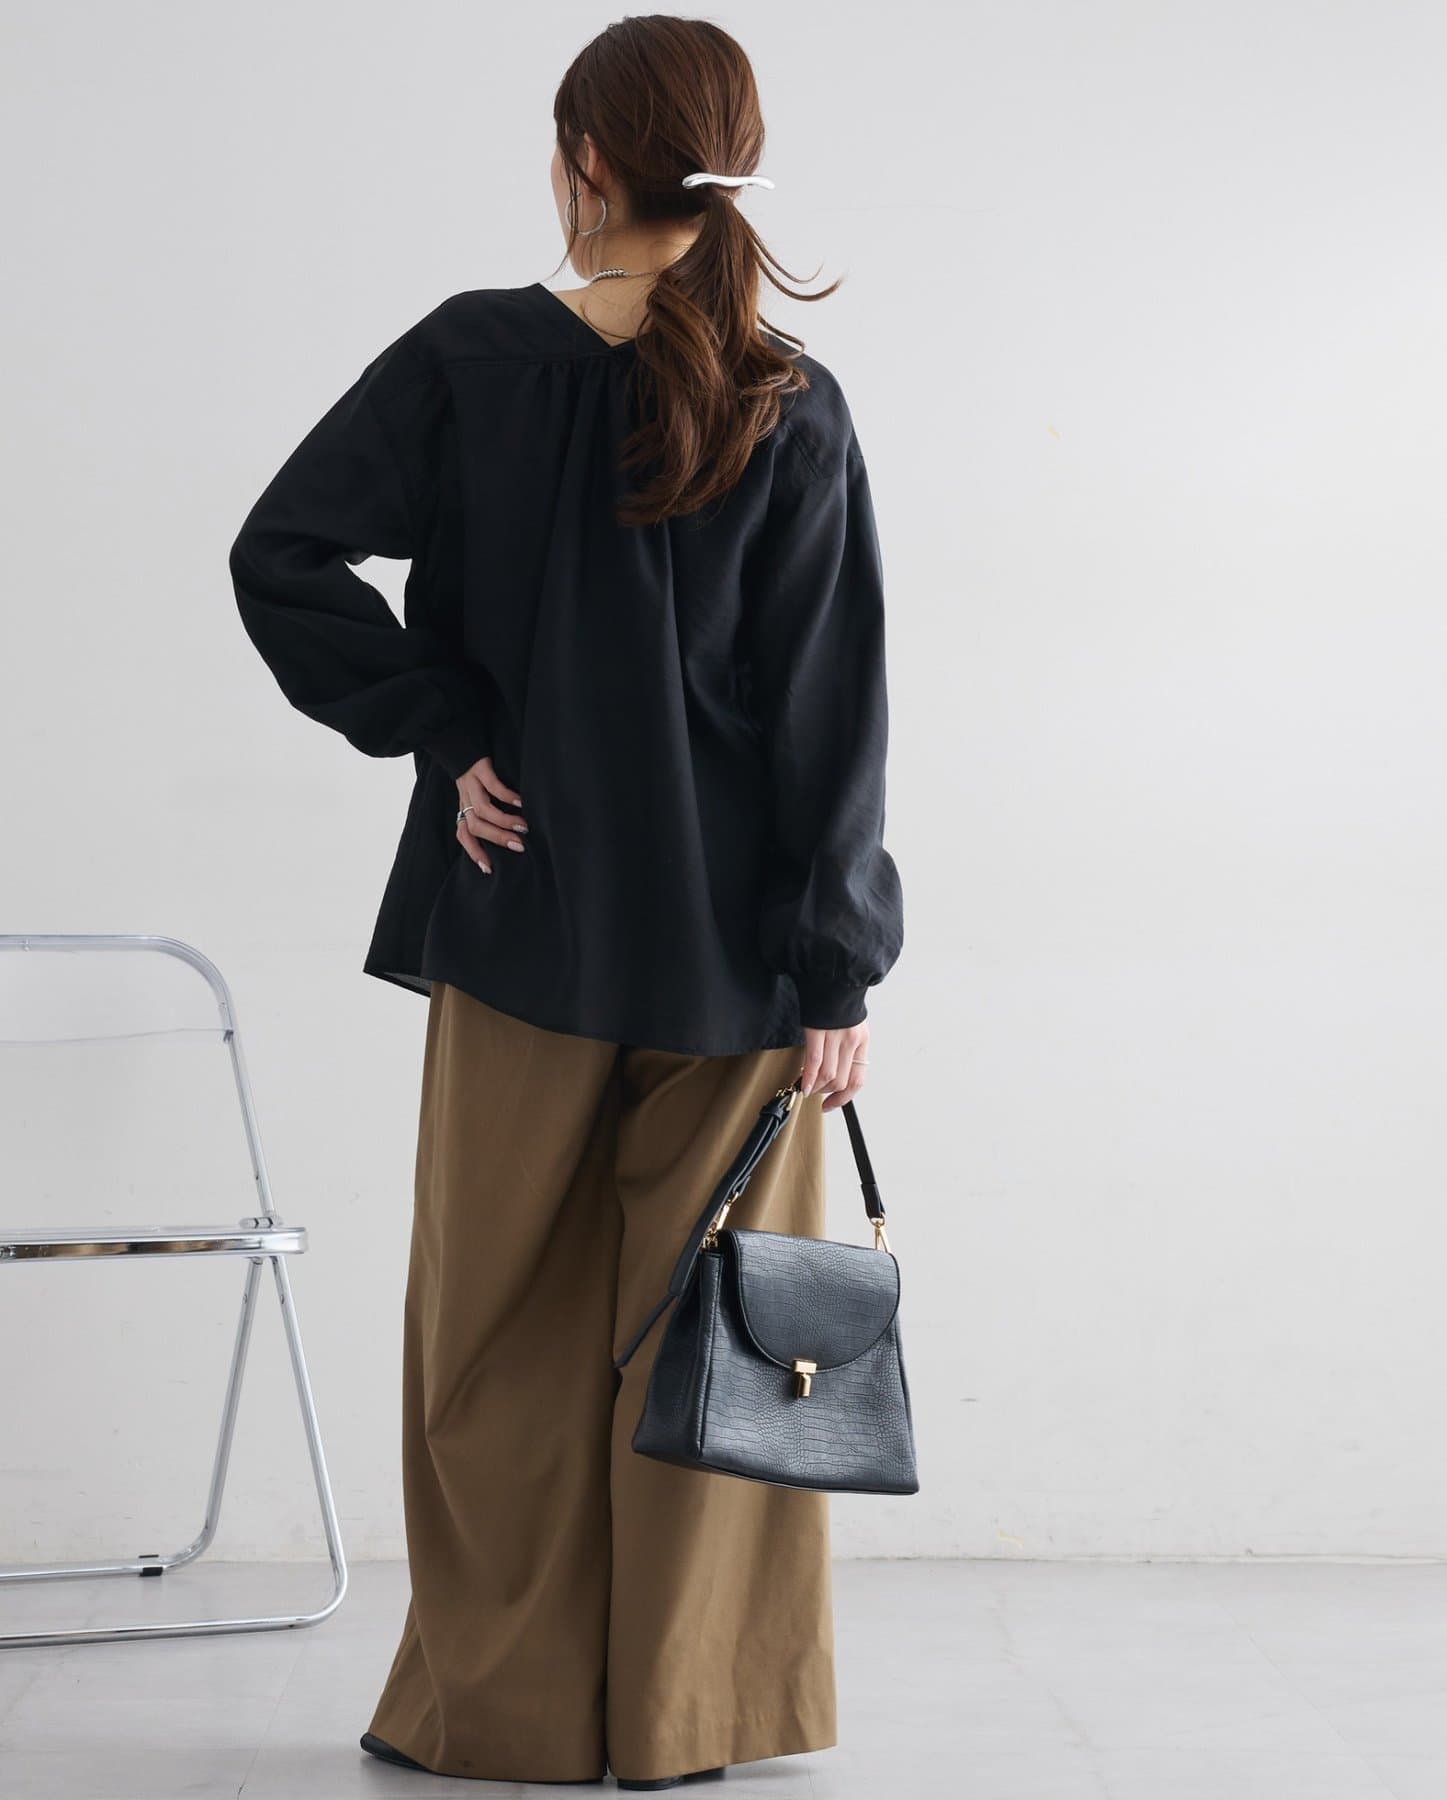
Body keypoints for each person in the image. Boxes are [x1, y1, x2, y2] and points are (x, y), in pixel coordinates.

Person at [227, 15, 902, 1790]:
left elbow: (281, 552)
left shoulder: (473, 357)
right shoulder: (790, 401)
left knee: (492, 1337)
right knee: (718, 1338)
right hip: (737, 962)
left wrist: (445, 733)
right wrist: (837, 969)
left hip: (515, 917)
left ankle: (502, 1714)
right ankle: (690, 1718)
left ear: (584, 162)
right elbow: (833, 715)